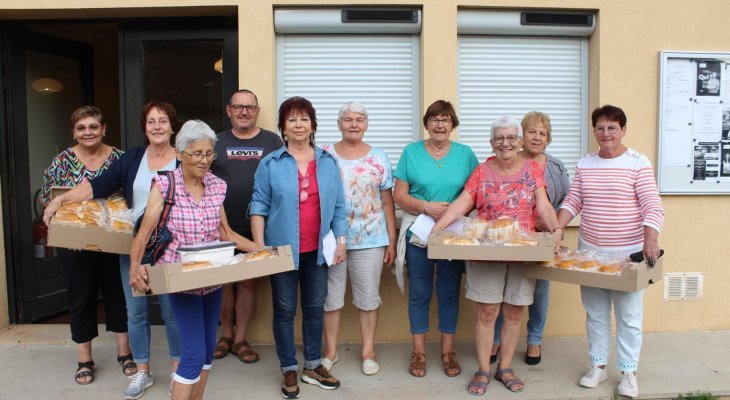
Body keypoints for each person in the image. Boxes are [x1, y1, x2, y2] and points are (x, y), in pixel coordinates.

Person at [44, 101, 182, 399]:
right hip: (132, 246)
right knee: (136, 313)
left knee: (173, 313)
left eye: (162, 121)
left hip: (172, 249)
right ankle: (142, 372)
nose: (157, 126)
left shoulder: (182, 160)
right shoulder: (133, 159)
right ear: (144, 128)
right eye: (151, 121)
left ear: (173, 126)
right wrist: (60, 200)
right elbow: (96, 186)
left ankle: (177, 371)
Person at [129, 119, 260, 400]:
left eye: (209, 154)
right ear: (180, 154)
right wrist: (134, 265)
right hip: (181, 280)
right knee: (191, 354)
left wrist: (262, 251)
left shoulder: (216, 185)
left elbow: (226, 232)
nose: (204, 161)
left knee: (205, 353)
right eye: (197, 154)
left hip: (212, 280)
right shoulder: (165, 186)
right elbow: (144, 232)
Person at [432, 116, 563, 395]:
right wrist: (438, 228)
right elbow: (462, 204)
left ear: (519, 142)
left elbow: (543, 205)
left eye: (511, 138)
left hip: (522, 251)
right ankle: (482, 369)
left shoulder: (531, 170)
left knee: (514, 311)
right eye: (499, 138)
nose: (506, 143)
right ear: (492, 143)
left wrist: (556, 228)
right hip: (486, 251)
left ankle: (504, 367)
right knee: (487, 311)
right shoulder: (481, 171)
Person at [557, 105, 664, 398]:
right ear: (594, 131)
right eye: (600, 128)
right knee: (595, 313)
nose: (606, 134)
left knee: (629, 316)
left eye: (612, 128)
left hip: (628, 255)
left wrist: (650, 239)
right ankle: (598, 366)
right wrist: (557, 228)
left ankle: (629, 373)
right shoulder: (585, 163)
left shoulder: (637, 162)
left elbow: (652, 205)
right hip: (590, 252)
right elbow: (574, 200)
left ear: (623, 130)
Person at [250, 96, 348, 399]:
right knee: (284, 309)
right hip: (281, 251)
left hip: (317, 252)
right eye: (291, 119)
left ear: (312, 125)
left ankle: (313, 365)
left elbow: (340, 208)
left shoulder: (329, 162)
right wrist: (259, 246)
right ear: (283, 126)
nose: (298, 124)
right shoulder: (270, 164)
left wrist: (341, 242)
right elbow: (258, 206)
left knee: (314, 310)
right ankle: (289, 367)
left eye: (304, 119)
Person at [41, 106, 133, 385]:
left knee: (118, 295)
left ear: (104, 129)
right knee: (81, 296)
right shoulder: (61, 162)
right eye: (81, 128)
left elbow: (133, 195)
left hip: (114, 238)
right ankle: (84, 359)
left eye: (93, 126)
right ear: (74, 132)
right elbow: (49, 200)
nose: (88, 132)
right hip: (75, 241)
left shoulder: (120, 158)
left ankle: (124, 353)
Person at [393, 100, 479, 379]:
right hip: (419, 231)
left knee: (448, 292)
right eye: (434, 119)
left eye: (445, 119)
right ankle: (418, 352)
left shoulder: (466, 155)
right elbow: (399, 196)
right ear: (426, 123)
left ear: (453, 124)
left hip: (453, 234)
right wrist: (425, 206)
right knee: (419, 292)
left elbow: (475, 194)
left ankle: (447, 351)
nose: (440, 124)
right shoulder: (411, 152)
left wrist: (454, 212)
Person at [320, 102, 397, 376]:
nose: (354, 124)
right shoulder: (325, 155)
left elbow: (387, 202)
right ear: (339, 123)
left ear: (366, 124)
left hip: (371, 239)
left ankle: (368, 351)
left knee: (368, 298)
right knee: (331, 297)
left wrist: (392, 239)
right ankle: (330, 351)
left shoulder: (379, 157)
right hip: (332, 240)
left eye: (359, 120)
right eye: (348, 119)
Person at [491, 111, 571, 366]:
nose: (537, 137)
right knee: (504, 289)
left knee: (540, 290)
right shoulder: (508, 160)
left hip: (543, 238)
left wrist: (555, 227)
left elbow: (568, 202)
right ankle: (496, 338)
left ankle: (534, 339)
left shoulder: (556, 167)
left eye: (542, 133)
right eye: (532, 132)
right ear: (521, 137)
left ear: (548, 138)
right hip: (510, 238)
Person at [211, 89, 282, 362]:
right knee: (223, 284)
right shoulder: (215, 141)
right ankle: (225, 335)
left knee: (248, 283)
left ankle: (241, 339)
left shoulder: (272, 141)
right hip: (220, 225)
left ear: (257, 111)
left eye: (249, 107)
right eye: (238, 107)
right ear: (229, 110)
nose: (244, 112)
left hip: (258, 226)